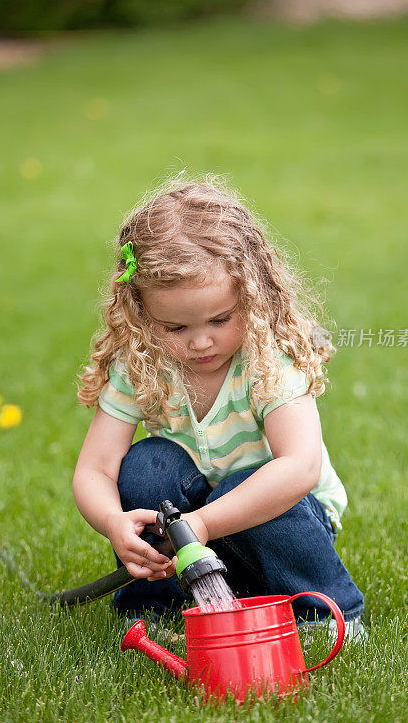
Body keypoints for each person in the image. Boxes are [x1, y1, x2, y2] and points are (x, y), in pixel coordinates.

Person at [73, 174, 365, 639]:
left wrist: (205, 521)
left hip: (285, 529)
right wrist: (112, 522)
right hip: (194, 545)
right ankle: (161, 604)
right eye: (175, 328)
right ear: (142, 315)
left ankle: (325, 612)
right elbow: (95, 469)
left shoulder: (267, 358)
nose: (201, 341)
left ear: (252, 297)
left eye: (221, 319)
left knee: (251, 480)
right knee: (148, 466)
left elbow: (300, 466)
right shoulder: (142, 364)